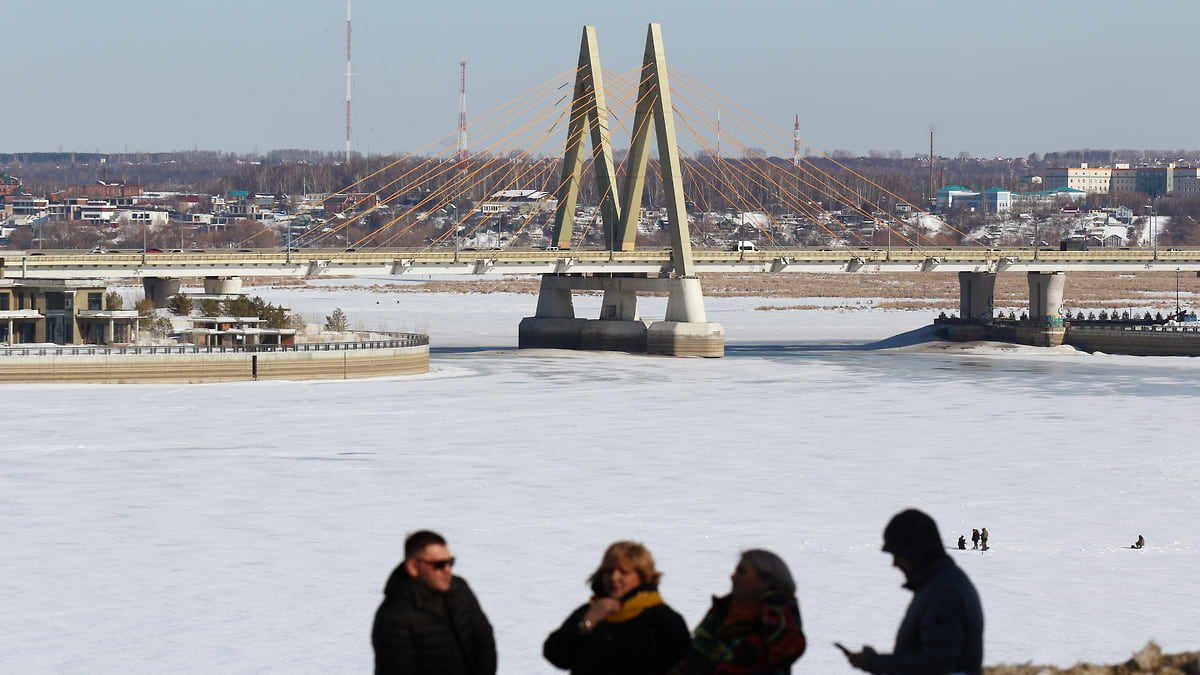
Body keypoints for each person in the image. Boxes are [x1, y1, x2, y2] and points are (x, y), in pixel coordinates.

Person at [837, 509, 984, 675]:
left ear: (915, 551)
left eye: (898, 555)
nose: (894, 563)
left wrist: (874, 662)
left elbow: (935, 666)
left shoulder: (943, 594)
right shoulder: (943, 582)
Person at [544, 541, 690, 675]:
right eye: (609, 571)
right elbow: (556, 656)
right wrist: (587, 623)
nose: (614, 577)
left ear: (642, 576)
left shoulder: (663, 620)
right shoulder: (591, 611)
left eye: (624, 572)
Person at [372, 530, 497, 675]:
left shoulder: (459, 590)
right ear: (413, 567)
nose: (447, 570)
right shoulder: (393, 617)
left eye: (450, 562)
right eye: (439, 565)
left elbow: (484, 638)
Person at [671, 549, 807, 674]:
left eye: (742, 572)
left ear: (765, 580)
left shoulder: (777, 620)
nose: (733, 576)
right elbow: (693, 659)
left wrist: (774, 601)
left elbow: (786, 649)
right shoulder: (723, 610)